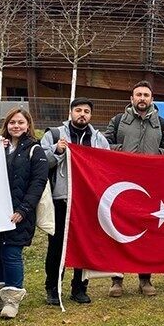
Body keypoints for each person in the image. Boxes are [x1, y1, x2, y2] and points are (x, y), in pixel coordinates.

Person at [103, 80, 164, 297]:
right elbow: (105, 145)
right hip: (121, 182)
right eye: (138, 95)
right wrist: (124, 153)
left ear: (152, 99)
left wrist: (151, 159)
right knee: (118, 228)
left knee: (147, 230)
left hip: (149, 184)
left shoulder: (160, 121)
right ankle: (117, 278)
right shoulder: (118, 120)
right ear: (131, 99)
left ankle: (145, 278)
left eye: (146, 95)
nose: (142, 98)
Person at [41, 97, 110, 305]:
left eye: (86, 111)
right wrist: (57, 151)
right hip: (61, 199)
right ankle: (53, 287)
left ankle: (79, 287)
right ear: (70, 112)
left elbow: (106, 167)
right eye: (78, 110)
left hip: (87, 201)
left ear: (91, 115)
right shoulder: (53, 134)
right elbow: (41, 162)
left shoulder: (99, 140)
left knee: (83, 245)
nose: (82, 114)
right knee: (57, 246)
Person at [0, 107, 48, 319]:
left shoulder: (35, 151)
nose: (16, 126)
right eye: (12, 122)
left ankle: (12, 299)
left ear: (28, 125)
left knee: (11, 254)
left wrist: (23, 210)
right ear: (6, 125)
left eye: (20, 122)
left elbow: (38, 183)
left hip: (19, 212)